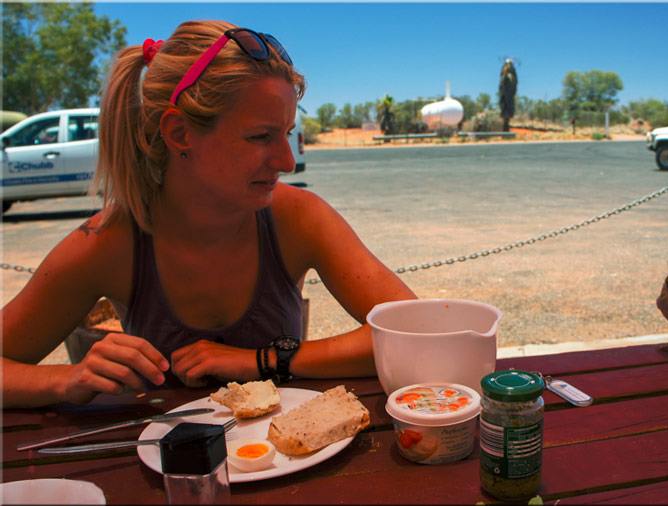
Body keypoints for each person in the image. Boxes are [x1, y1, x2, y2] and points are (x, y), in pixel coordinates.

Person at [1, 20, 416, 408]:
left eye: (286, 133)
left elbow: (415, 331)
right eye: (261, 136)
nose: (287, 161)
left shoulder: (298, 217)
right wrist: (68, 379)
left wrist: (262, 360)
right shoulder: (110, 242)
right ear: (180, 133)